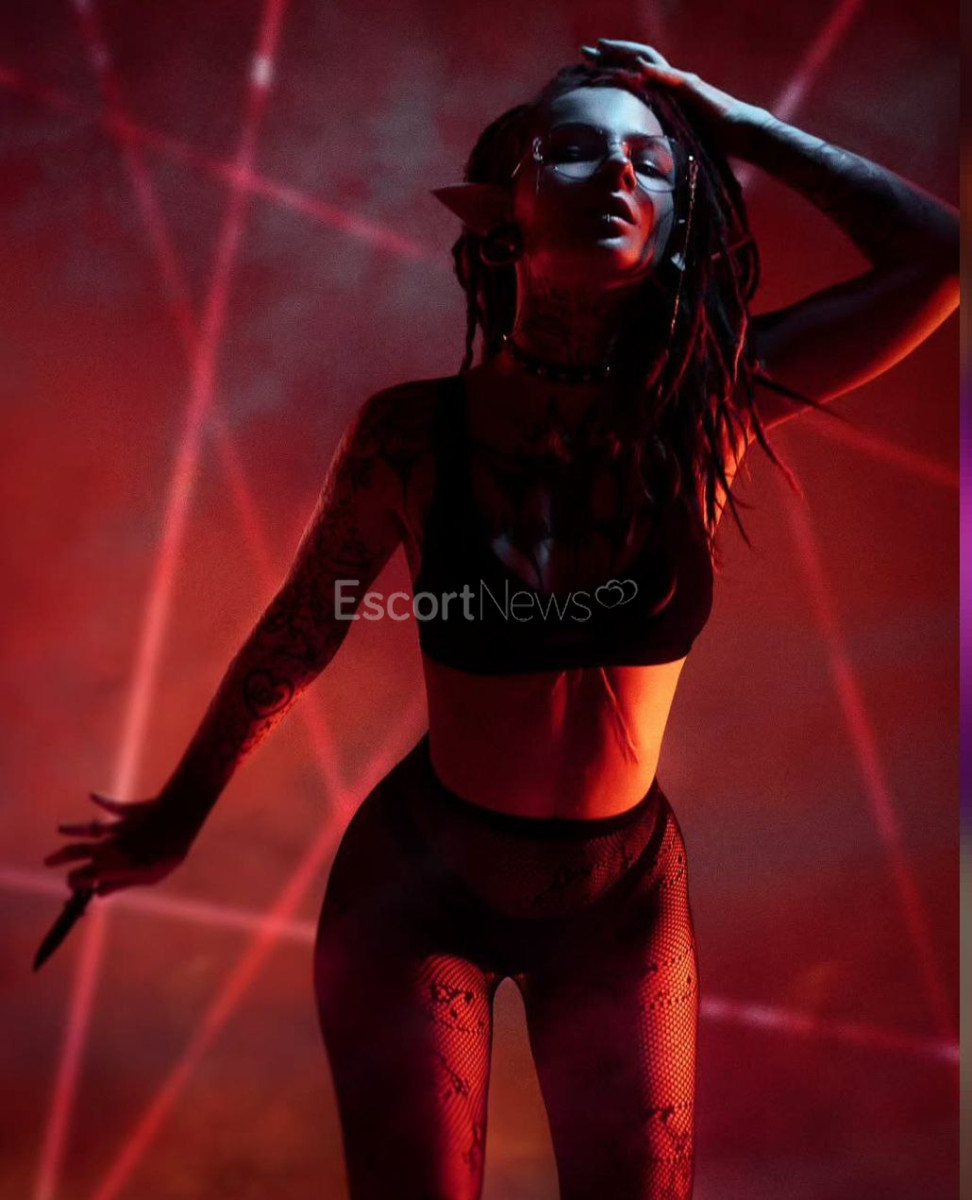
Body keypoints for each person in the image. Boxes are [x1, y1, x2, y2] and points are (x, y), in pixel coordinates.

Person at [45, 39, 958, 1200]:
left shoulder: (709, 410)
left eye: (651, 164)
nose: (617, 173)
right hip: (418, 892)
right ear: (500, 214)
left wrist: (730, 121)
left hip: (624, 903)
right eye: (573, 150)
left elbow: (941, 260)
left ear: (678, 227)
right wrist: (178, 814)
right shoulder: (412, 434)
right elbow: (303, 629)